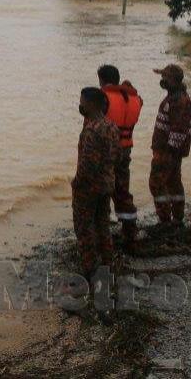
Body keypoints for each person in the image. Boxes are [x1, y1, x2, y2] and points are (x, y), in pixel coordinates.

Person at [73, 87, 119, 278]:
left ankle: (90, 268)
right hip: (106, 184)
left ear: (92, 104)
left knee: (84, 227)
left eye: (82, 101)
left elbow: (88, 164)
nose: (80, 105)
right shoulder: (111, 126)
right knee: (103, 225)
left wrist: (76, 182)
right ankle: (108, 263)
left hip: (89, 187)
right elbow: (118, 155)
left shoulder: (92, 129)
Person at [97, 65, 143, 247]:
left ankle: (102, 229)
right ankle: (130, 230)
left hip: (107, 151)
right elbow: (139, 99)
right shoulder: (134, 98)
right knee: (122, 189)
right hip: (125, 149)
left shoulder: (102, 98)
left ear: (102, 80)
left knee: (102, 189)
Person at [151, 64, 191, 229]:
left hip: (167, 151)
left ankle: (165, 219)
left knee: (156, 183)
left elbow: (179, 129)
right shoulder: (174, 97)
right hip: (167, 150)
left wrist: (169, 152)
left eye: (165, 78)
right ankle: (176, 218)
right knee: (173, 183)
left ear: (175, 80)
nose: (163, 81)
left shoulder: (179, 100)